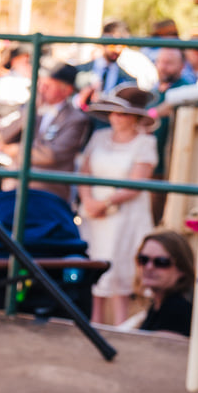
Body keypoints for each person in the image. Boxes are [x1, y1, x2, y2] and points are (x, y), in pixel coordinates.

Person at [75, 84, 158, 325]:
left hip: (124, 216)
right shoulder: (99, 137)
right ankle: (93, 324)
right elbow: (85, 171)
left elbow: (136, 183)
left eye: (120, 113)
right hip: (94, 214)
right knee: (94, 268)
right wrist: (89, 200)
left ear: (134, 117)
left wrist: (105, 202)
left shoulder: (145, 143)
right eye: (112, 112)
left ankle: (121, 330)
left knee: (119, 272)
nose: (115, 118)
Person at [7, 62, 92, 198]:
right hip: (15, 186)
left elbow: (53, 155)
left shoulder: (76, 119)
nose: (42, 89)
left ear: (66, 90)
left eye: (49, 85)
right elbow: (3, 137)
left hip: (47, 191)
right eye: (41, 84)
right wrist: (29, 111)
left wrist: (16, 150)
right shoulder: (31, 108)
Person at [125, 229, 198, 340]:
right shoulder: (159, 303)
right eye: (143, 259)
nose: (149, 267)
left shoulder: (179, 309)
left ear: (182, 269)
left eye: (161, 262)